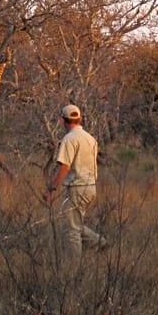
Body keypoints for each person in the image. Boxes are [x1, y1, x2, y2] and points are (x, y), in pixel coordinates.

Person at [46, 103, 106, 258]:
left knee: (72, 230)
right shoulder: (91, 139)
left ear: (62, 120)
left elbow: (64, 167)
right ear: (81, 119)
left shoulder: (69, 139)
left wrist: (51, 190)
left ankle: (73, 272)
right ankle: (101, 243)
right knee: (74, 223)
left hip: (77, 188)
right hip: (91, 187)